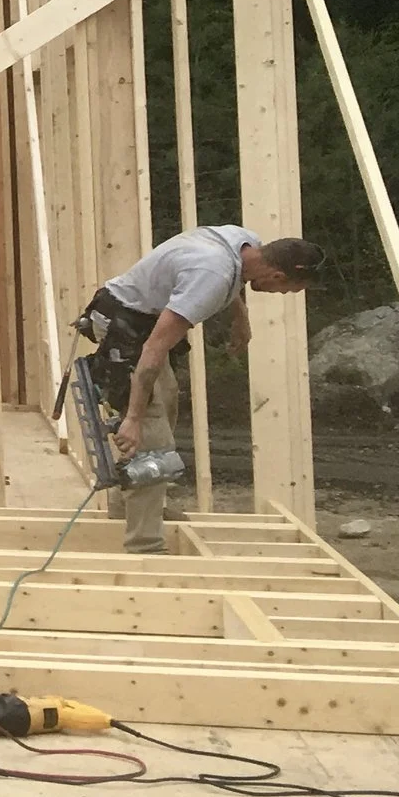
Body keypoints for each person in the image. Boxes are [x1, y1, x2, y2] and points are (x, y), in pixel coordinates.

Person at [82, 227, 322, 553]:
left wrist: (242, 317)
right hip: (123, 322)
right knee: (153, 440)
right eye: (287, 291)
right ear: (277, 275)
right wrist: (134, 417)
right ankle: (145, 546)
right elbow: (153, 349)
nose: (282, 296)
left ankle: (129, 508)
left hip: (143, 316)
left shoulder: (243, 243)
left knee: (165, 399)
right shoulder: (212, 275)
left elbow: (233, 280)